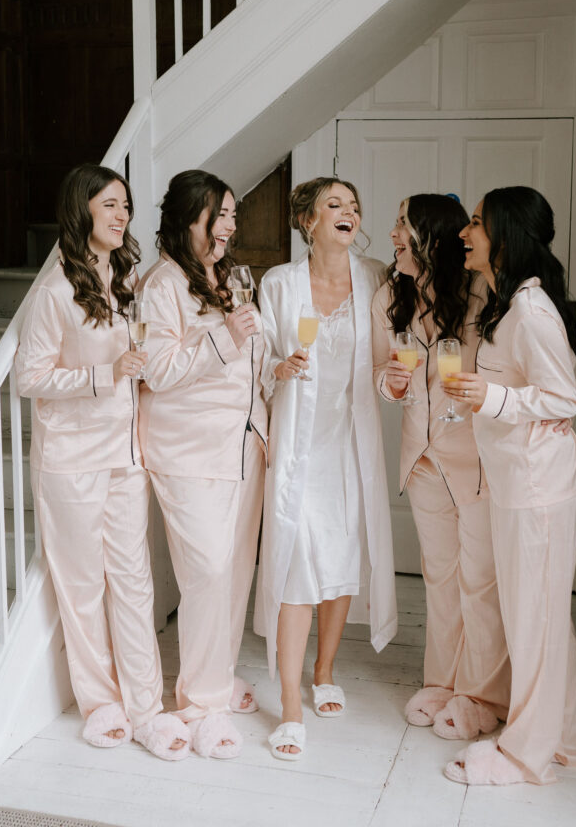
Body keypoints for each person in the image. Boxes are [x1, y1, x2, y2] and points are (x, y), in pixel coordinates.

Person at [15, 164, 189, 760]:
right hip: (70, 459)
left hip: (125, 454)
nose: (122, 215)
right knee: (83, 587)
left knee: (135, 583)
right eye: (110, 204)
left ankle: (147, 707)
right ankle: (101, 704)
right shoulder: (54, 291)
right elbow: (28, 377)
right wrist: (103, 374)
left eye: (126, 205)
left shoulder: (127, 278)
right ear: (82, 209)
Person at [442, 185, 576, 786]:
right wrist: (484, 396)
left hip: (540, 488)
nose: (465, 232)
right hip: (517, 484)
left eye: (477, 222)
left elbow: (564, 398)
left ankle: (527, 754)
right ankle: (566, 743)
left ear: (506, 235)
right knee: (541, 619)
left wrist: (492, 396)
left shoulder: (530, 310)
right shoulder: (507, 301)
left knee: (536, 622)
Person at [254, 177, 398, 761]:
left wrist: (396, 383)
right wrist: (278, 369)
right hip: (297, 446)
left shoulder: (376, 279)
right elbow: (257, 359)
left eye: (354, 205)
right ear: (307, 220)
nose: (348, 212)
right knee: (294, 564)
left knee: (340, 559)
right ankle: (290, 702)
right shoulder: (279, 283)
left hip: (349, 445)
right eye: (334, 204)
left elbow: (388, 362)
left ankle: (325, 670)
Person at [371, 194, 510, 741]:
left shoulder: (480, 293)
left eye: (402, 224)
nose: (393, 235)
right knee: (441, 577)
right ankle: (440, 683)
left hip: (474, 457)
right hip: (422, 456)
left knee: (480, 579)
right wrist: (391, 383)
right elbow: (385, 375)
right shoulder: (390, 295)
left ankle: (482, 694)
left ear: (430, 235)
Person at [138, 170, 267, 760]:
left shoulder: (226, 277)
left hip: (241, 444)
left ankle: (214, 679)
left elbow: (247, 358)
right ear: (190, 218)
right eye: (221, 214)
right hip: (188, 450)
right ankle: (200, 706)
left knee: (233, 573)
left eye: (234, 215)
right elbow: (159, 370)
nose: (230, 226)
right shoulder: (162, 284)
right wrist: (225, 336)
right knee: (207, 572)